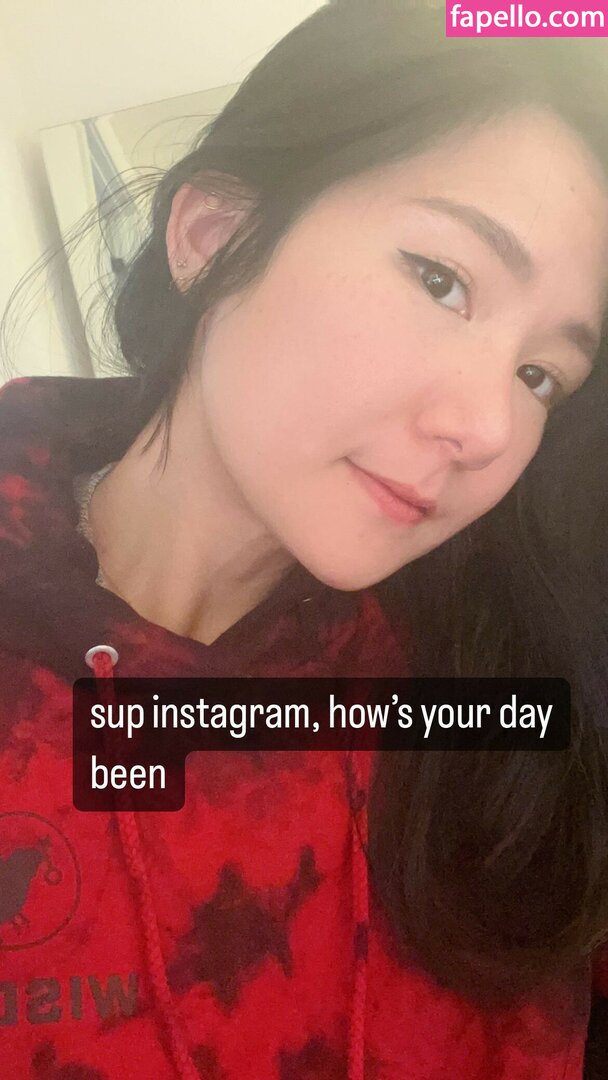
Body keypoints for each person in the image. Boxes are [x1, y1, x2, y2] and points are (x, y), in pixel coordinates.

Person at [1, 2, 608, 1077]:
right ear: (213, 236)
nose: (486, 429)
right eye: (441, 280)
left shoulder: (500, 692)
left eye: (539, 375)